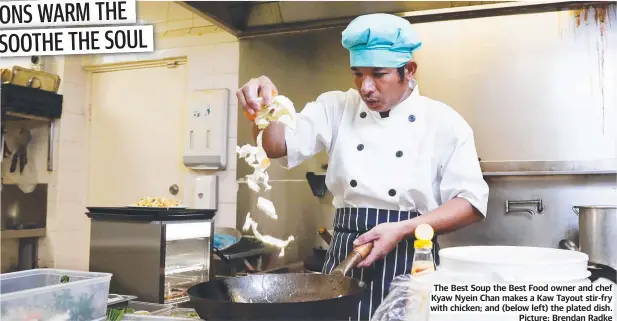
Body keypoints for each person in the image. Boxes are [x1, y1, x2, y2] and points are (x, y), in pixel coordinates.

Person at [236, 13, 489, 321]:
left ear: (408, 71)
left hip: (411, 257)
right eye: (357, 74)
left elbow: (471, 203)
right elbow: (276, 146)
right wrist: (266, 105)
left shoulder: (443, 122)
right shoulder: (336, 107)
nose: (365, 87)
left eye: (378, 74)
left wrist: (402, 229)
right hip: (345, 254)